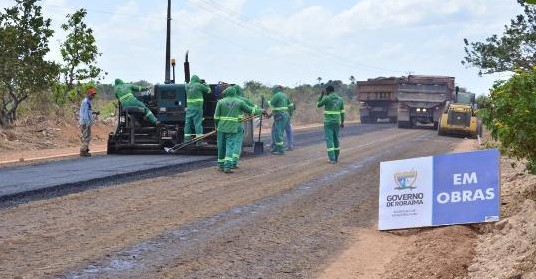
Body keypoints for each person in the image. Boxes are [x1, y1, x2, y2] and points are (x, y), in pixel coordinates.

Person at [214, 86, 262, 173]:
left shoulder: (220, 102)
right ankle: (227, 166)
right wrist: (261, 111)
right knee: (230, 146)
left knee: (221, 146)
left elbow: (216, 117)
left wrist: (216, 127)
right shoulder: (240, 102)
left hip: (221, 128)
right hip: (233, 128)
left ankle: (220, 165)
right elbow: (251, 110)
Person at [317, 85, 345, 164]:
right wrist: (342, 122)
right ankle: (336, 158)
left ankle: (332, 159)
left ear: (328, 91)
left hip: (328, 122)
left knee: (329, 140)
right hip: (337, 122)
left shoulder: (327, 98)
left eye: (326, 91)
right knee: (336, 139)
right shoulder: (340, 99)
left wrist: (321, 95)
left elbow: (318, 105)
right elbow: (343, 112)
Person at [231, 84, 257, 168]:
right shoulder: (243, 100)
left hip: (226, 126)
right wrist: (262, 111)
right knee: (238, 143)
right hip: (238, 124)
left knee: (229, 143)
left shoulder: (224, 100)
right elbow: (253, 109)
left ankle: (225, 162)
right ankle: (234, 162)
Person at [184, 75, 212, 145]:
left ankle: (187, 140)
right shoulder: (199, 85)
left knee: (188, 124)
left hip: (189, 108)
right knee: (198, 124)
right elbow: (209, 91)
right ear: (197, 80)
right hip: (197, 108)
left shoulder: (186, 86)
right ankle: (199, 142)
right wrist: (206, 84)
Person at [267, 86, 291, 155]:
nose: (273, 91)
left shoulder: (277, 95)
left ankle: (280, 150)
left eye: (273, 90)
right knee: (275, 131)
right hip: (284, 115)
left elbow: (270, 103)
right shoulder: (285, 95)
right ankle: (276, 147)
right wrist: (270, 115)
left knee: (278, 133)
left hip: (280, 116)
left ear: (276, 90)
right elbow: (276, 109)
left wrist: (263, 107)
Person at [79, 88, 98, 157]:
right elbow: (85, 114)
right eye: (92, 94)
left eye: (93, 95)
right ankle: (83, 151)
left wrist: (94, 112)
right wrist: (88, 123)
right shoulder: (86, 102)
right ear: (88, 94)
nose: (93, 96)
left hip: (85, 122)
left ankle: (86, 149)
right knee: (86, 137)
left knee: (87, 136)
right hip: (85, 122)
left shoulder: (88, 102)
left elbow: (88, 111)